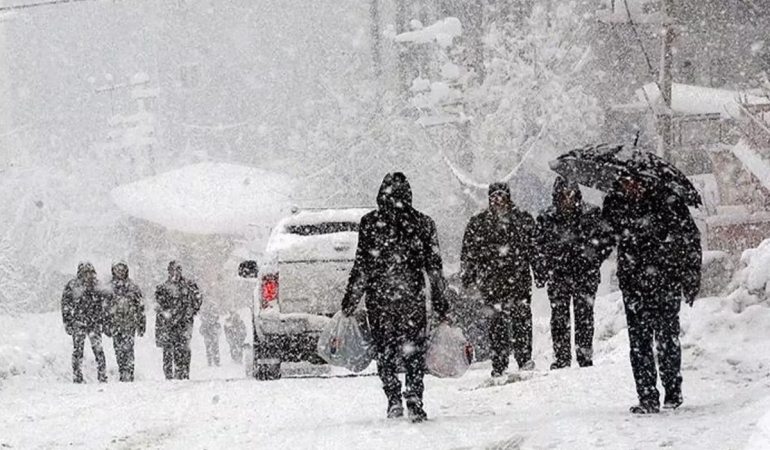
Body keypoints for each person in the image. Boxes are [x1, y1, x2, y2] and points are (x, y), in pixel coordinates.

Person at [341, 172, 449, 423]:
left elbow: (362, 266)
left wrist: (350, 300)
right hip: (411, 298)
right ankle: (414, 397)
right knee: (414, 352)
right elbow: (434, 268)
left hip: (380, 300)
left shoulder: (370, 223)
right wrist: (441, 303)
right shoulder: (423, 223)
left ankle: (393, 398)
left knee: (386, 350)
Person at [602, 175, 701, 414]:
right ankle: (647, 396)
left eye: (635, 181)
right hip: (634, 283)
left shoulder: (667, 201)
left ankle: (672, 390)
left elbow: (690, 238)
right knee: (639, 342)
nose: (631, 186)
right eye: (625, 182)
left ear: (646, 181)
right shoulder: (616, 203)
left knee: (666, 337)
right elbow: (605, 238)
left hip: (665, 281)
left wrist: (690, 277)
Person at [461, 182, 538, 377]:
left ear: (508, 197)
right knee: (497, 325)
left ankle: (524, 358)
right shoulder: (479, 222)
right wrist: (468, 278)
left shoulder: (522, 220)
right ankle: (499, 363)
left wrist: (540, 272)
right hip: (491, 282)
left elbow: (535, 249)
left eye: (502, 196)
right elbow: (469, 253)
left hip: (518, 280)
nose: (498, 200)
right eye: (494, 196)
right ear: (489, 198)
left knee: (521, 320)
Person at [535, 177, 612, 370]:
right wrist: (545, 267)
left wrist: (593, 259)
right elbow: (537, 246)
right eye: (562, 195)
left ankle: (584, 356)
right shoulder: (546, 218)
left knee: (584, 316)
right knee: (559, 317)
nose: (566, 199)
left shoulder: (592, 214)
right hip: (558, 275)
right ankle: (561, 358)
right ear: (556, 196)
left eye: (569, 194)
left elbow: (607, 240)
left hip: (585, 275)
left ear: (576, 194)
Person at [155, 261, 203, 380]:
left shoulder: (189, 285)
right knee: (168, 350)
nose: (175, 273)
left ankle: (183, 373)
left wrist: (191, 310)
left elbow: (198, 298)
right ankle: (169, 375)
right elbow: (159, 306)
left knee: (183, 349)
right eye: (173, 271)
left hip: (184, 323)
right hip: (168, 323)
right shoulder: (163, 288)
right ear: (169, 272)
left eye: (178, 270)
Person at [61, 262, 107, 383]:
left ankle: (102, 375)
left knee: (98, 350)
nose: (88, 275)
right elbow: (65, 305)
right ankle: (77, 376)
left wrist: (103, 319)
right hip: (79, 322)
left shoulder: (97, 285)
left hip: (94, 323)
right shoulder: (72, 285)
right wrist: (67, 322)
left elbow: (104, 305)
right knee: (78, 351)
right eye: (85, 272)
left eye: (89, 272)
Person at [103, 262, 146, 382]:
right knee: (118, 350)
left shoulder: (133, 287)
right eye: (118, 270)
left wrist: (141, 324)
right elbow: (104, 308)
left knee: (129, 349)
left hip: (129, 324)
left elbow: (140, 307)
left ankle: (129, 373)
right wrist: (106, 324)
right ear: (113, 271)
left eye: (122, 270)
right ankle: (122, 372)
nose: (120, 272)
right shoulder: (109, 288)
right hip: (115, 324)